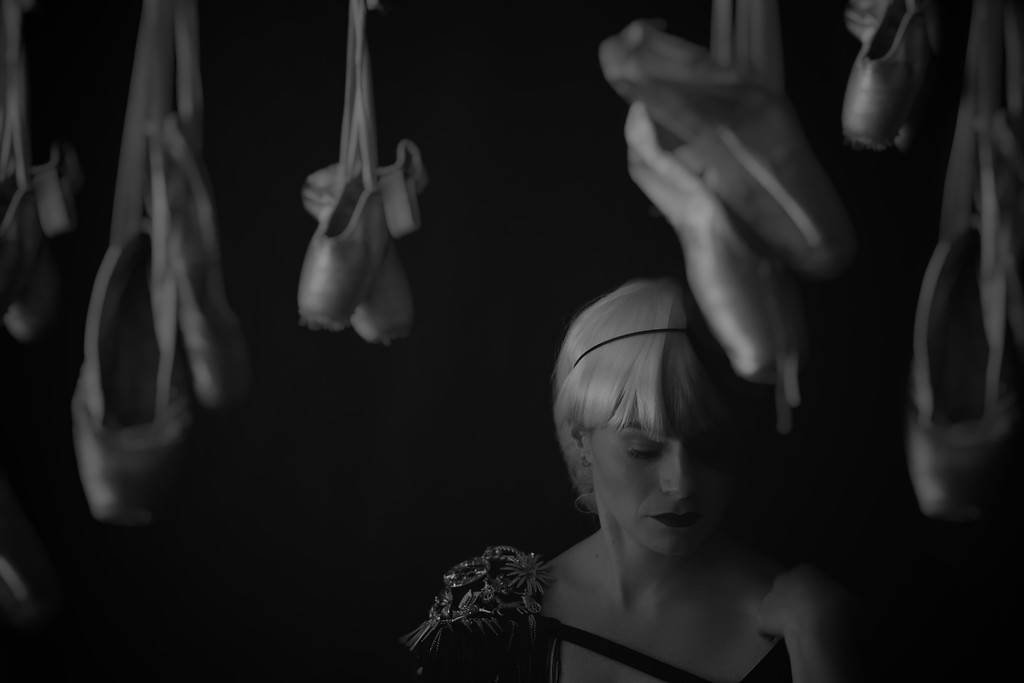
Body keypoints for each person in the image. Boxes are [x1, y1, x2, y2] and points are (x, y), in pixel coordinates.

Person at [403, 277, 864, 682]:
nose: (681, 484)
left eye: (710, 447)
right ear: (582, 440)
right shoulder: (492, 618)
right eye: (643, 450)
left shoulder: (800, 626)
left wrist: (819, 648)